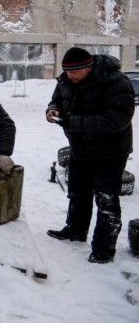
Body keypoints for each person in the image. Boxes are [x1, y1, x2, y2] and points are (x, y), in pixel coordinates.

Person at [46, 47, 134, 263]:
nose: (70, 76)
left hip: (110, 151)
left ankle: (104, 250)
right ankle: (75, 230)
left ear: (88, 67)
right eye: (66, 72)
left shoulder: (116, 82)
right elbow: (56, 98)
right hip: (80, 146)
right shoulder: (67, 79)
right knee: (77, 191)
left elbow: (115, 120)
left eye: (74, 72)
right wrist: (53, 109)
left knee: (106, 199)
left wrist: (72, 121)